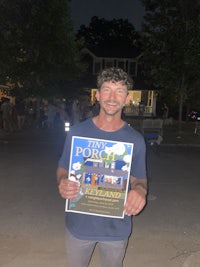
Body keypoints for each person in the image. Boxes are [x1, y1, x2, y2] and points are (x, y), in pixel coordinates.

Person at [56, 67, 147, 267]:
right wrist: (63, 181)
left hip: (116, 228)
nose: (112, 97)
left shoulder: (136, 140)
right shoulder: (77, 133)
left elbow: (139, 179)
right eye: (107, 89)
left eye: (119, 91)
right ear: (97, 95)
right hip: (78, 225)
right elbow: (63, 167)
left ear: (127, 99)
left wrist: (140, 191)